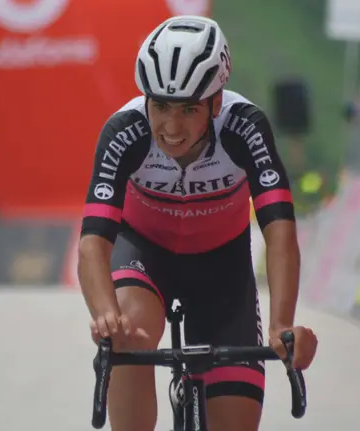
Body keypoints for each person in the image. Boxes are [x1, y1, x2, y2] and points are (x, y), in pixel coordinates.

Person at [77, 15, 318, 431]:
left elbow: (279, 230)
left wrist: (281, 324)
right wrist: (104, 313)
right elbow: (93, 242)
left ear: (216, 102)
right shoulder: (124, 131)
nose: (171, 127)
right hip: (144, 255)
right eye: (161, 106)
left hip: (221, 267)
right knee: (128, 332)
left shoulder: (245, 127)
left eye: (189, 109)